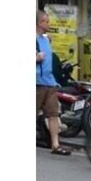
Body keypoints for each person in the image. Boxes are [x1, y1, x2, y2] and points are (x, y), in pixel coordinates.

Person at [36, 10, 71, 156]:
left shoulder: (46, 39)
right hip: (36, 82)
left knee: (53, 114)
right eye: (47, 21)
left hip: (49, 82)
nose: (49, 24)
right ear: (39, 23)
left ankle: (55, 145)